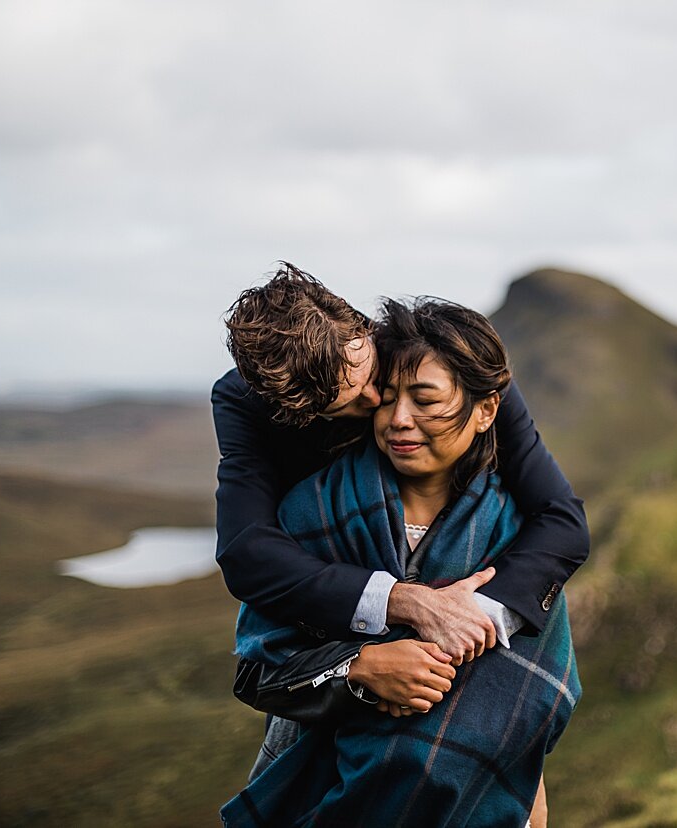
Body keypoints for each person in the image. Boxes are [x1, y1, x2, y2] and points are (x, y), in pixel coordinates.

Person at [223, 297, 580, 826]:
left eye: (420, 398)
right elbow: (253, 620)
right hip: (326, 799)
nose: (388, 414)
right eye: (381, 398)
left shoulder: (507, 529)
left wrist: (471, 620)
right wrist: (363, 665)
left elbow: (563, 526)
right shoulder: (311, 511)